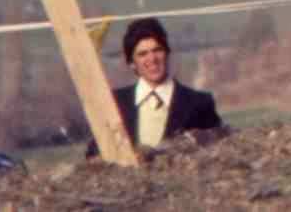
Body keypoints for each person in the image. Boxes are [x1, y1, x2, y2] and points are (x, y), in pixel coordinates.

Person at [94, 18, 224, 155]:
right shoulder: (114, 104)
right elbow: (95, 155)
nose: (152, 59)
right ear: (131, 63)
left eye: (157, 50)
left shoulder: (200, 104)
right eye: (142, 54)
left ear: (167, 53)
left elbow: (218, 151)